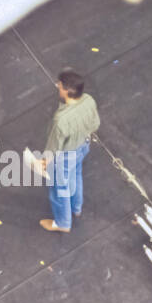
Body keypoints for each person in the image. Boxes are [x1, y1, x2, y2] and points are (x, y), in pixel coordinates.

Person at [37, 70, 99, 233]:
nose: (58, 86)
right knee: (76, 174)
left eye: (60, 85)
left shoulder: (61, 119)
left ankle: (63, 223)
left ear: (66, 90)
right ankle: (76, 208)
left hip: (66, 156)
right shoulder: (89, 101)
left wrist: (43, 163)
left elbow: (53, 147)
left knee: (60, 189)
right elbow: (95, 124)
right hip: (83, 147)